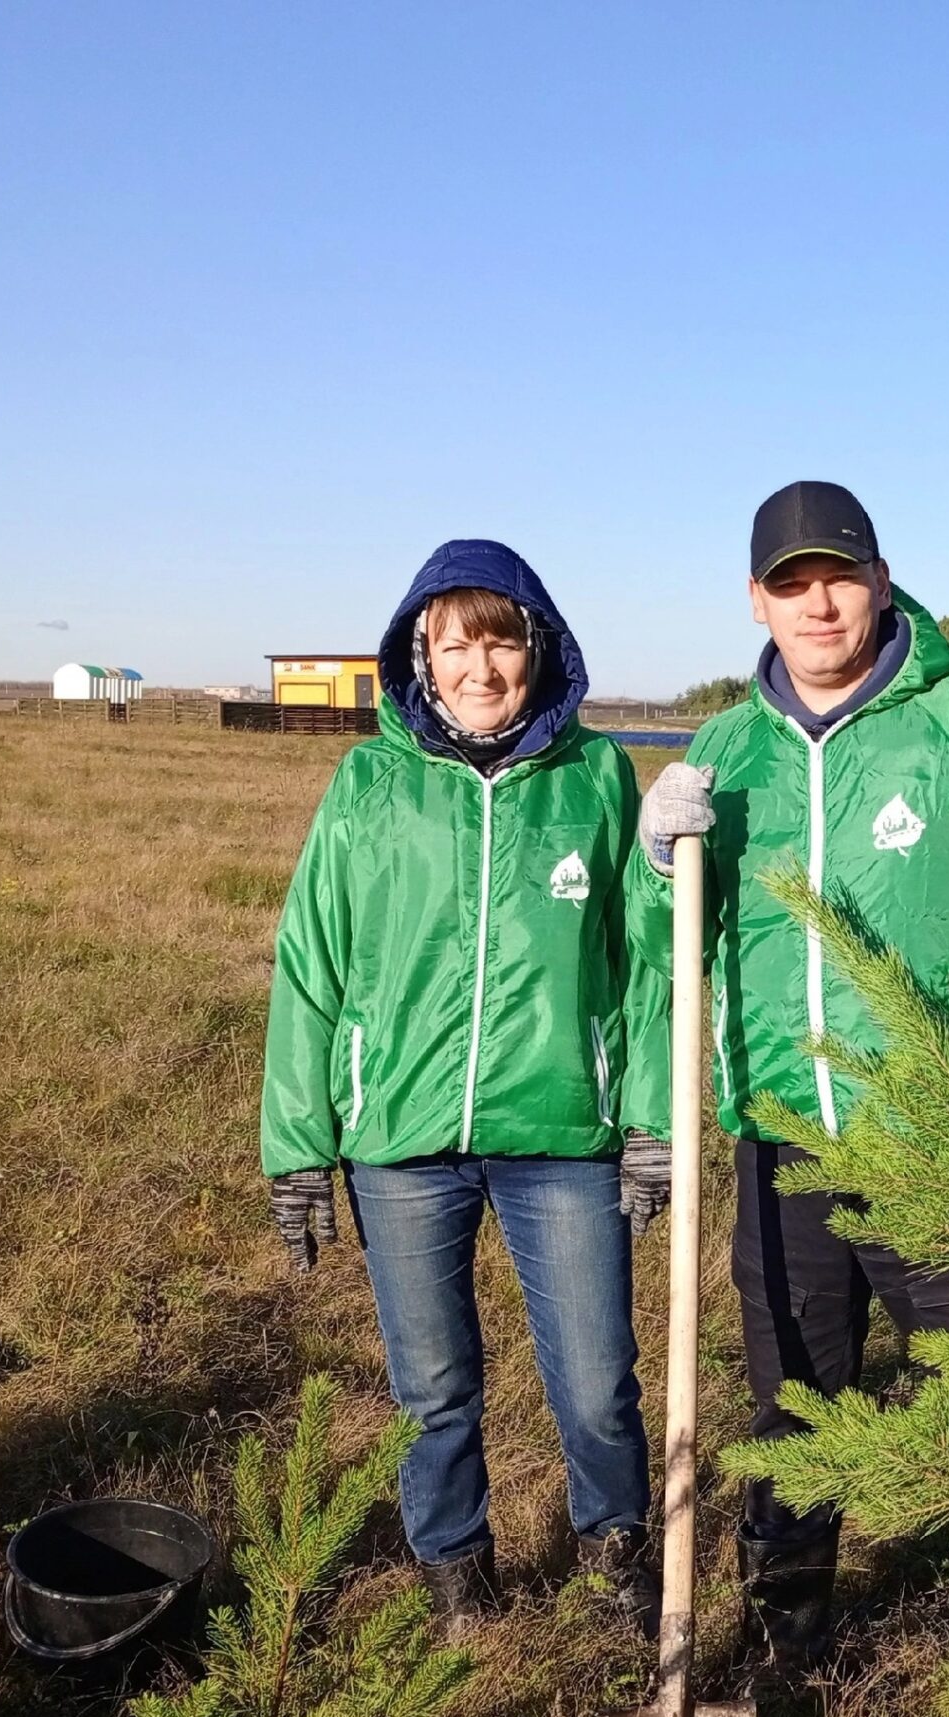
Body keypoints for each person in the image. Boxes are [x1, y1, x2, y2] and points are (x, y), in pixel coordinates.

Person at [631, 481, 949, 1717]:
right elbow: (677, 958)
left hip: (947, 1137)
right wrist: (659, 869)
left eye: (839, 575)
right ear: (755, 600)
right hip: (783, 1144)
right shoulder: (726, 749)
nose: (818, 603)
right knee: (795, 1401)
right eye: (790, 583)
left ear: (882, 580)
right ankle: (793, 1652)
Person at [261, 539, 666, 1642]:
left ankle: (615, 1563)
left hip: (561, 1135)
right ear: (419, 657)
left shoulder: (594, 776)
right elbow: (311, 960)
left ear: (538, 648)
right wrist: (298, 1145)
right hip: (399, 1140)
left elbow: (643, 960)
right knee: (433, 1388)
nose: (480, 668)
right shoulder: (368, 784)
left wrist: (650, 1117)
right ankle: (456, 1579)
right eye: (454, 645)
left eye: (500, 642)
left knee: (597, 1384)